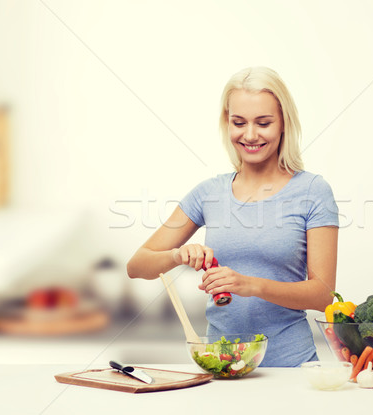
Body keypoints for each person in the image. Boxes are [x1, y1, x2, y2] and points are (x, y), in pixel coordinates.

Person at [127, 67, 339, 367]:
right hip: (221, 366)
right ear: (227, 124)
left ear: (283, 125)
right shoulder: (208, 193)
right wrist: (177, 255)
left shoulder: (313, 191)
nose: (250, 135)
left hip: (291, 368)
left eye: (263, 123)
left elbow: (323, 295)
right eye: (239, 122)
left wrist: (250, 285)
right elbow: (137, 265)